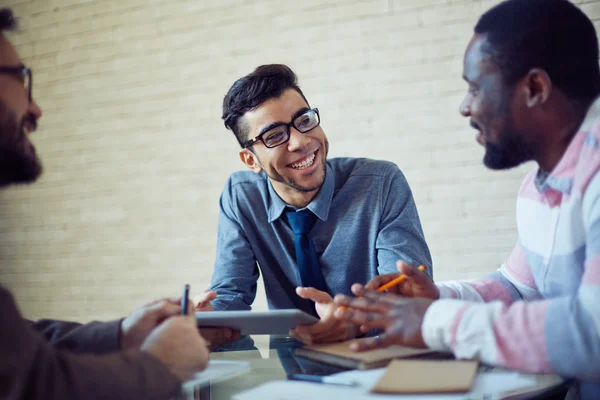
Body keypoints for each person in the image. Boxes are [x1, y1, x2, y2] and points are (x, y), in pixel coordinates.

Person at [333, 0, 600, 398]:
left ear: (535, 88)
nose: (465, 107)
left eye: (475, 87)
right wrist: (437, 296)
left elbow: (593, 334)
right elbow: (517, 286)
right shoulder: (537, 188)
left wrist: (437, 322)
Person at [0, 9, 211, 400]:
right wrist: (159, 366)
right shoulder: (240, 194)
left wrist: (121, 334)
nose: (35, 109)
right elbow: (31, 384)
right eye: (21, 79)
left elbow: (15, 344)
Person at [203, 64, 432, 344]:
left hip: (380, 358)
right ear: (251, 161)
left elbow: (407, 290)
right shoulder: (241, 197)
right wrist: (204, 317)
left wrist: (352, 319)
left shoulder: (380, 183)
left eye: (304, 120)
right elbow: (231, 296)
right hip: (295, 367)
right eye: (274, 136)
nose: (300, 141)